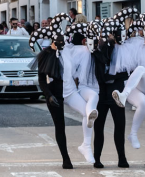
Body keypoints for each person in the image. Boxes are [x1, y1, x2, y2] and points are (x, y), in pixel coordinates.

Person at [110, 19, 145, 150]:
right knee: (143, 104)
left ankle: (123, 95)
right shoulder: (130, 45)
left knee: (141, 69)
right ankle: (133, 134)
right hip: (132, 86)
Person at [34, 26, 73, 169]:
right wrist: (48, 95)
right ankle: (66, 158)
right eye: (59, 43)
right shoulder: (45, 55)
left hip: (68, 89)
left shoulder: (67, 53)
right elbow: (42, 80)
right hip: (53, 91)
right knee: (60, 125)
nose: (61, 46)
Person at [91, 19, 128, 169]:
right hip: (100, 91)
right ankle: (97, 158)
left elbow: (125, 71)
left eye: (111, 35)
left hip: (115, 91)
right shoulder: (96, 49)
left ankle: (122, 157)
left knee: (120, 125)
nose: (108, 38)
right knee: (98, 127)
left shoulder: (121, 49)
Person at [60, 23, 99, 163]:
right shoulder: (57, 52)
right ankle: (66, 159)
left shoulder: (73, 51)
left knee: (86, 113)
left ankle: (86, 145)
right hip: (59, 93)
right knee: (60, 128)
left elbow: (75, 73)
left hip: (70, 91)